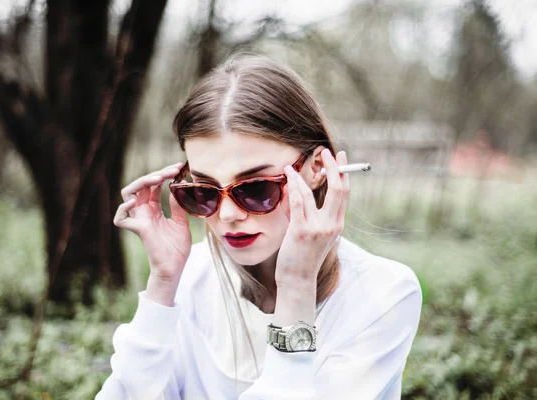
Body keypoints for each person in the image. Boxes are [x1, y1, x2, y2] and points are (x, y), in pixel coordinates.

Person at [95, 54, 422, 399]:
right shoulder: (190, 277)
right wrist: (162, 284)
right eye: (203, 192)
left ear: (316, 169)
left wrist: (296, 285)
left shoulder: (383, 295)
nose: (228, 214)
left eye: (255, 188)